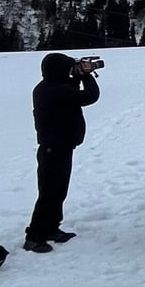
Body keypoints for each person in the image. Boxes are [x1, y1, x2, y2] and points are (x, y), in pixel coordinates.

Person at [23, 53, 101, 253]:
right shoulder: (55, 91)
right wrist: (85, 75)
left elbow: (70, 91)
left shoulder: (47, 87)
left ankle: (51, 228)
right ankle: (34, 236)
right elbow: (91, 96)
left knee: (57, 191)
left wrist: (76, 75)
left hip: (59, 146)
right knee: (49, 193)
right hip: (53, 149)